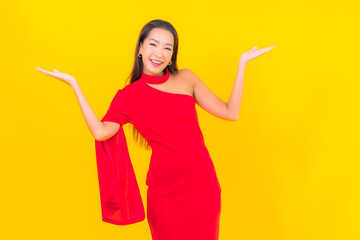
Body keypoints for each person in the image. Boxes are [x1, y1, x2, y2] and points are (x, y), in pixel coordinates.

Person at [36, 19, 276, 240]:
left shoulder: (186, 79)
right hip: (165, 192)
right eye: (153, 44)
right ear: (140, 48)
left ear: (172, 55)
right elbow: (101, 132)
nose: (159, 53)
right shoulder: (127, 97)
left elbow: (230, 112)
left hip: (203, 186)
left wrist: (242, 64)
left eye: (167, 48)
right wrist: (74, 85)